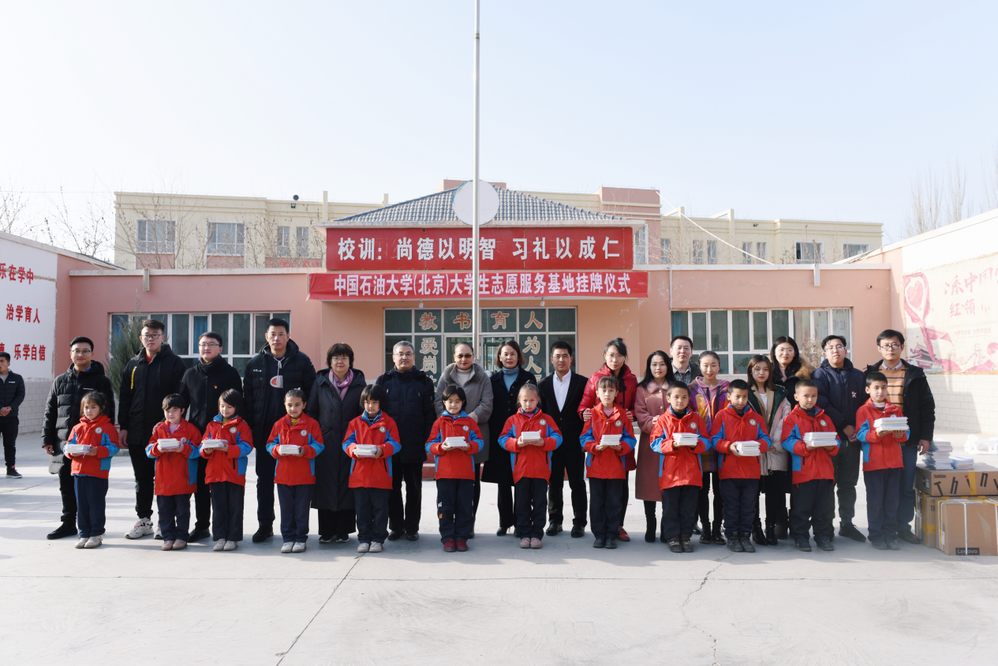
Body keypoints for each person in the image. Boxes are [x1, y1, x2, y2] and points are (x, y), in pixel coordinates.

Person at [243, 318, 316, 543]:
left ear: (288, 336)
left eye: (281, 334)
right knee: (264, 480)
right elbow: (248, 400)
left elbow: (312, 395)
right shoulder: (255, 363)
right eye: (272, 334)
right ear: (266, 337)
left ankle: (296, 529)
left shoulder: (302, 361)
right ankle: (265, 525)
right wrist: (252, 428)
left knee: (295, 483)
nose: (277, 338)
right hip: (266, 433)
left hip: (295, 433)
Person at [864, 329, 935, 545]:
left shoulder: (915, 373)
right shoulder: (870, 372)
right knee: (880, 490)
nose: (890, 349)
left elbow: (927, 407)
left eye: (895, 344)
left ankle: (902, 527)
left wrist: (925, 436)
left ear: (902, 347)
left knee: (905, 486)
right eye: (886, 345)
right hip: (878, 441)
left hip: (906, 439)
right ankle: (881, 529)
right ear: (879, 348)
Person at [118, 319, 187, 540]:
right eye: (147, 335)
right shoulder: (133, 365)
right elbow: (125, 397)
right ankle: (144, 520)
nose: (151, 339)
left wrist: (175, 428)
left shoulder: (175, 363)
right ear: (141, 338)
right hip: (137, 432)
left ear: (162, 337)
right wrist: (124, 427)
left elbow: (180, 398)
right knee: (142, 478)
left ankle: (164, 522)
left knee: (166, 479)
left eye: (155, 335)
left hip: (165, 434)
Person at [42, 336, 116, 539]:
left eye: (85, 351)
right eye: (77, 350)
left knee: (89, 490)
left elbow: (109, 412)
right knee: (66, 485)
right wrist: (47, 438)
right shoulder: (60, 381)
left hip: (91, 448)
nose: (80, 354)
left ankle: (92, 527)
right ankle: (68, 524)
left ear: (92, 354)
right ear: (71, 353)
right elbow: (50, 411)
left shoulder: (101, 381)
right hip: (65, 443)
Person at [178, 331, 243, 543]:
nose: (206, 348)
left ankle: (226, 530)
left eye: (211, 344)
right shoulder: (190, 374)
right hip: (199, 438)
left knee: (223, 486)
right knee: (200, 484)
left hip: (225, 439)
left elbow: (238, 404)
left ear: (220, 348)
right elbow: (181, 404)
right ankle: (202, 526)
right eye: (203, 344)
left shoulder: (230, 373)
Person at [578, 338, 637, 541]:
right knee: (598, 496)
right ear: (605, 356)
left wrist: (630, 415)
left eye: (619, 355)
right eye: (611, 355)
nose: (615, 359)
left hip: (620, 444)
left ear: (625, 357)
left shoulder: (631, 380)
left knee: (619, 490)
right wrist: (584, 413)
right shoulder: (595, 378)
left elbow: (636, 407)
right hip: (598, 441)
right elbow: (584, 405)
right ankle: (600, 532)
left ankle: (616, 527)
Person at [375, 340, 435, 542]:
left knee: (414, 489)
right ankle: (396, 527)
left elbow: (429, 415)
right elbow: (377, 414)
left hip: (414, 444)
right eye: (400, 354)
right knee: (392, 489)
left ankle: (412, 527)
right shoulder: (383, 381)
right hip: (390, 446)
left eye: (408, 354)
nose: (404, 357)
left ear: (414, 357)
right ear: (393, 357)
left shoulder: (424, 381)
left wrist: (426, 440)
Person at [306, 343, 365, 544]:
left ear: (350, 361)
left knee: (348, 484)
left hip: (350, 441)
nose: (340, 361)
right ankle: (327, 530)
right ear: (330, 361)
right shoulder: (320, 382)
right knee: (326, 484)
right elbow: (312, 411)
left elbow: (362, 414)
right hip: (326, 441)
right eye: (336, 358)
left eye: (344, 358)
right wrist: (317, 435)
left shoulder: (359, 384)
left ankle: (343, 530)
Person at [811, 334, 867, 542]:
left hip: (852, 440)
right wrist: (844, 426)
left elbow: (865, 404)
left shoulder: (858, 376)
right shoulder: (819, 375)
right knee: (827, 484)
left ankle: (847, 524)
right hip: (829, 439)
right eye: (830, 347)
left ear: (846, 350)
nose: (835, 350)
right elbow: (822, 403)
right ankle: (826, 526)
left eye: (839, 346)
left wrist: (857, 430)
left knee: (848, 484)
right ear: (824, 353)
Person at [433, 342, 493, 531]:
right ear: (454, 357)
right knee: (448, 487)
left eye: (468, 355)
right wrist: (449, 420)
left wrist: (467, 420)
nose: (464, 359)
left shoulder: (482, 376)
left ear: (473, 356)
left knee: (471, 483)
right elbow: (438, 400)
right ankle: (449, 526)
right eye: (460, 356)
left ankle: (468, 524)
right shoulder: (446, 375)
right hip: (448, 436)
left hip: (474, 434)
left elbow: (487, 403)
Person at [498, 383, 563, 549]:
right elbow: (502, 439)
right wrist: (516, 443)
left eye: (532, 400)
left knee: (540, 503)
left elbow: (558, 438)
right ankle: (524, 533)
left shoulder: (546, 420)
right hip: (521, 470)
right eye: (525, 400)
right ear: (519, 400)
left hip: (541, 470)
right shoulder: (512, 420)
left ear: (538, 400)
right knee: (522, 503)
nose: (528, 403)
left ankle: (537, 534)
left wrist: (544, 442)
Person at [483, 340, 537, 536]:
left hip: (525, 435)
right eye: (505, 354)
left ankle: (522, 522)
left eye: (512, 353)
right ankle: (505, 522)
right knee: (503, 482)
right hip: (501, 436)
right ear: (499, 357)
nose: (509, 357)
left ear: (518, 355)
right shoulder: (492, 380)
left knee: (524, 483)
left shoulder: (528, 377)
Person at [710, 379, 771, 553]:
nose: (741, 400)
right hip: (729, 471)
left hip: (751, 472)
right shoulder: (721, 416)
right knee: (731, 506)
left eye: (744, 397)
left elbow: (766, 439)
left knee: (748, 506)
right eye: (737, 396)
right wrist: (729, 446)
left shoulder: (756, 418)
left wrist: (758, 445)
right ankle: (732, 536)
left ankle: (745, 536)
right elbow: (715, 439)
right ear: (729, 396)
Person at [649, 381, 709, 553]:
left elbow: (706, 441)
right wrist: (672, 444)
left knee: (688, 508)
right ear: (668, 398)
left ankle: (685, 537)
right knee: (670, 508)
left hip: (692, 473)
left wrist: (695, 444)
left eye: (684, 397)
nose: (680, 401)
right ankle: (673, 538)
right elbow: (654, 443)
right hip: (670, 473)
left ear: (689, 399)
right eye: (676, 397)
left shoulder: (696, 419)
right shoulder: (662, 420)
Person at [781, 379, 839, 552]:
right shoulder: (792, 419)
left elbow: (836, 440)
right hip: (804, 472)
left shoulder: (825, 418)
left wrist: (832, 446)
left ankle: (823, 537)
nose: (810, 399)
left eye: (814, 396)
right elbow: (787, 441)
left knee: (823, 508)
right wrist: (805, 447)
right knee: (802, 508)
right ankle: (801, 537)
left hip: (825, 472)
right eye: (806, 396)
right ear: (796, 397)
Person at [538, 340, 588, 538]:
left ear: (571, 359)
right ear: (551, 359)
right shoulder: (542, 385)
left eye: (565, 356)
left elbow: (587, 413)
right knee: (554, 483)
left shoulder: (583, 383)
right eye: (557, 356)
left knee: (577, 482)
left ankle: (580, 522)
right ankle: (555, 521)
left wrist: (585, 440)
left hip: (575, 442)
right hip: (552, 443)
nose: (561, 360)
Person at [343, 385, 401, 554]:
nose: (370, 406)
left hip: (381, 475)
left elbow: (396, 443)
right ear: (363, 403)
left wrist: (382, 450)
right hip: (359, 476)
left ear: (381, 403)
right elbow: (346, 443)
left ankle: (377, 539)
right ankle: (364, 539)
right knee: (362, 511)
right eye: (367, 402)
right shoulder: (355, 423)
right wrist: (353, 449)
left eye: (374, 402)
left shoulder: (389, 422)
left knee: (381, 510)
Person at [426, 385, 484, 552]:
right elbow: (429, 444)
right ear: (444, 402)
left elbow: (479, 442)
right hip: (445, 474)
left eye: (457, 401)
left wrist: (469, 446)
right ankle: (448, 538)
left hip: (466, 474)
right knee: (445, 507)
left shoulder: (470, 422)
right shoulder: (439, 423)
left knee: (464, 507)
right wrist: (441, 447)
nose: (453, 405)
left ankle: (461, 538)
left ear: (463, 402)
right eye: (450, 401)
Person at [267, 388, 325, 554]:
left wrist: (304, 450)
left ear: (304, 405)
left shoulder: (311, 424)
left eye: (297, 405)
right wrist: (277, 449)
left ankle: (300, 538)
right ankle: (287, 538)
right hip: (283, 476)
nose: (293, 408)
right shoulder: (279, 424)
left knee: (301, 510)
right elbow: (269, 444)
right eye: (290, 405)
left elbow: (319, 445)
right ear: (284, 405)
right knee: (286, 509)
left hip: (304, 476)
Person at [856, 372, 908, 550]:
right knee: (876, 502)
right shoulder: (863, 411)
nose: (880, 391)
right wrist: (877, 434)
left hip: (894, 463)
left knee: (892, 501)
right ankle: (876, 535)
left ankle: (890, 535)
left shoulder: (895, 410)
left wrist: (900, 435)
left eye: (884, 387)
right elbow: (860, 434)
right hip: (874, 464)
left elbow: (905, 433)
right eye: (876, 388)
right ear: (868, 390)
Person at [145, 394, 202, 551]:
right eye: (167, 410)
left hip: (182, 478)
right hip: (163, 479)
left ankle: (182, 537)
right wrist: (157, 448)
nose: (170, 414)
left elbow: (198, 450)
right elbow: (149, 450)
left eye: (174, 410)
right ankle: (168, 537)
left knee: (182, 511)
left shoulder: (190, 429)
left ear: (182, 410)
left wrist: (183, 448)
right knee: (164, 510)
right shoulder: (159, 429)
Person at [746, 355, 792, 546]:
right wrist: (759, 443)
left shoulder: (780, 393)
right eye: (757, 369)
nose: (761, 373)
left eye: (765, 369)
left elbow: (786, 419)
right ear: (751, 371)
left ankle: (771, 526)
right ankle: (755, 528)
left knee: (775, 492)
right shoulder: (745, 394)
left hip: (776, 450)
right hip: (754, 451)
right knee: (753, 493)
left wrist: (775, 442)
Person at [65, 391, 119, 549]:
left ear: (101, 408)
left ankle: (96, 533)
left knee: (95, 505)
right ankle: (83, 533)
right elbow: (68, 446)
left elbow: (114, 447)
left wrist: (97, 451)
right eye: (86, 407)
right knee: (81, 505)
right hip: (78, 472)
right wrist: (71, 452)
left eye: (93, 407)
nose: (89, 410)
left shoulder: (107, 427)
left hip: (97, 473)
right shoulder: (77, 427)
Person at [201, 389, 253, 552]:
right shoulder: (212, 425)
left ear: (236, 407)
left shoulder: (242, 425)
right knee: (218, 507)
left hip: (234, 473)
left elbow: (247, 447)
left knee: (235, 507)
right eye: (222, 406)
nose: (225, 410)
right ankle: (220, 537)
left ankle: (233, 538)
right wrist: (206, 450)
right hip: (215, 474)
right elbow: (202, 444)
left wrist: (228, 448)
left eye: (229, 407)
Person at [634, 350, 676, 542]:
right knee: (649, 486)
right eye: (654, 364)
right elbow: (641, 415)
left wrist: (667, 423)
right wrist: (657, 422)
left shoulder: (675, 387)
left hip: (672, 444)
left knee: (668, 487)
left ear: (668, 366)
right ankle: (650, 525)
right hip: (649, 444)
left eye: (662, 364)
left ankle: (666, 528)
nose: (658, 368)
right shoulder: (641, 389)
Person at [689, 351, 729, 545]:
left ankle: (717, 528)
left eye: (713, 365)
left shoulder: (727, 389)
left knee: (721, 492)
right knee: (701, 490)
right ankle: (705, 528)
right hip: (701, 448)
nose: (709, 369)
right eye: (705, 365)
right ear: (699, 366)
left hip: (723, 448)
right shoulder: (691, 390)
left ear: (719, 366)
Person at [770, 336, 813, 409]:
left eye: (789, 350)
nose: (785, 353)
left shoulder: (805, 374)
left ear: (795, 353)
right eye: (781, 350)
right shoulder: (766, 372)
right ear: (774, 352)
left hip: (798, 414)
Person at [0, 352, 25, 478]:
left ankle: (11, 469)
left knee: (10, 444)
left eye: (2, 361)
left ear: (8, 363)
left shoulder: (17, 378)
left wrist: (10, 408)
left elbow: (20, 395)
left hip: (11, 418)